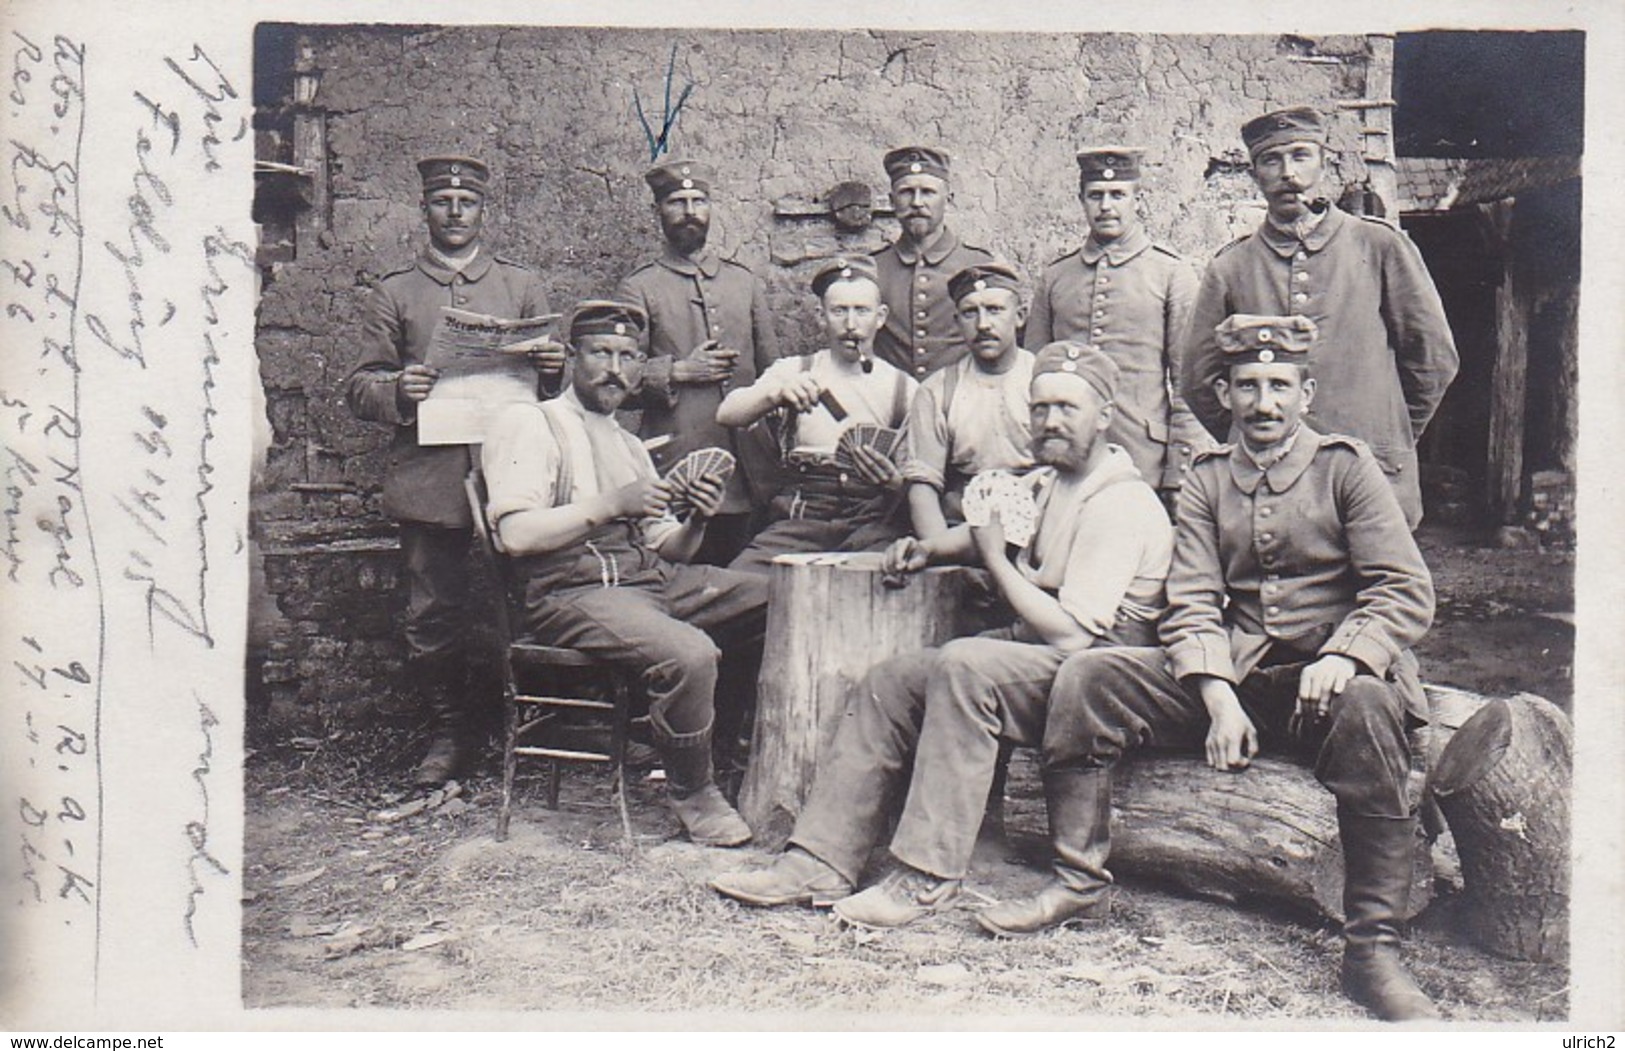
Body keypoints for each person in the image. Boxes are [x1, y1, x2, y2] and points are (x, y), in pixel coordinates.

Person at [1022, 314, 1439, 1020]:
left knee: (1368, 703)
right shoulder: (1207, 477)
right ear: (1225, 392)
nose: (1264, 403)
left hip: (1334, 686)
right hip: (1241, 677)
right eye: (1248, 386)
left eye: (1279, 385)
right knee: (1090, 676)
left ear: (1306, 392)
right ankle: (1078, 880)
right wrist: (1217, 698)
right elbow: (1187, 601)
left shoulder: (1345, 465)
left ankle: (1372, 949)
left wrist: (1342, 652)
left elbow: (1403, 588)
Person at [709, 342, 1173, 930]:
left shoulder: (1119, 501)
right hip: (1044, 650)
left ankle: (928, 876)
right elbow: (983, 530)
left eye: (1067, 409)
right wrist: (927, 548)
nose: (1050, 422)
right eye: (1040, 408)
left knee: (963, 666)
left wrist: (997, 561)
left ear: (1104, 416)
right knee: (895, 679)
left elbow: (1073, 636)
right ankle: (819, 859)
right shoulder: (1050, 481)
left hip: (1102, 674)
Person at [480, 301, 768, 847]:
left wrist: (697, 518)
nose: (616, 369)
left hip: (645, 582)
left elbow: (670, 547)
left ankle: (725, 751)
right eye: (601, 354)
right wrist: (614, 503)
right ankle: (692, 789)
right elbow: (516, 536)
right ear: (571, 358)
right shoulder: (532, 423)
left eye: (629, 356)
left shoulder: (629, 442)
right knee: (690, 653)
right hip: (572, 590)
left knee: (774, 597)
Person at [344, 154, 563, 785]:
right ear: (426, 209)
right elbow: (360, 386)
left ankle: (530, 727)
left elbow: (553, 390)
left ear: (484, 212)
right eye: (443, 202)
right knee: (432, 611)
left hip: (511, 470)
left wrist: (553, 365)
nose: (456, 213)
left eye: (467, 203)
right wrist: (398, 389)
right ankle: (448, 734)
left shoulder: (521, 285)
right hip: (430, 476)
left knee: (524, 601)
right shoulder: (396, 292)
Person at [1181, 107, 1459, 528]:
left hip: (1374, 474)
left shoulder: (1379, 246)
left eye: (1300, 156)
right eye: (1271, 161)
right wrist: (1255, 434)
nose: (1288, 172)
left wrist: (1390, 433)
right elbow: (1198, 378)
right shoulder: (1231, 267)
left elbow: (1433, 359)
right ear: (1255, 174)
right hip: (1265, 480)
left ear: (1324, 163)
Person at [615, 159, 783, 565]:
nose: (689, 211)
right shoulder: (639, 286)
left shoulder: (743, 283)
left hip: (747, 465)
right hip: (678, 458)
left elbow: (773, 370)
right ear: (658, 212)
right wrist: (676, 371)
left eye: (699, 201)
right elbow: (615, 378)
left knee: (744, 576)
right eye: (676, 202)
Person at [1027, 146, 1210, 505]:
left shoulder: (1171, 273)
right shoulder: (1056, 277)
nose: (1106, 206)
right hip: (1068, 454)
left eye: (1118, 195)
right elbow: (1033, 378)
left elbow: (1190, 384)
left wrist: (1179, 472)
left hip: (1144, 458)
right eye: (1095, 195)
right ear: (1081, 200)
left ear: (1136, 200)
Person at [719, 256, 918, 575]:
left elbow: (921, 471)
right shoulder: (795, 370)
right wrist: (776, 394)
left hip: (872, 519)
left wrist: (894, 482)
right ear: (820, 316)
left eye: (861, 311)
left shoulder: (903, 387)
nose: (851, 324)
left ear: (880, 317)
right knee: (741, 580)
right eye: (839, 311)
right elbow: (728, 413)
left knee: (884, 584)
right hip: (802, 514)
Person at [900, 262, 1036, 542]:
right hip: (964, 529)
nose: (983, 324)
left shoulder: (1045, 381)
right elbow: (923, 487)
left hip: (1039, 523)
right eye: (970, 313)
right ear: (957, 322)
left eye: (995, 310)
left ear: (1020, 316)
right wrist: (938, 551)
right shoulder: (937, 391)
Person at [870, 146, 996, 380]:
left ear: (948, 199)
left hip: (959, 402)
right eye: (906, 192)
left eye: (927, 192)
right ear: (891, 200)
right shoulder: (873, 269)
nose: (917, 202)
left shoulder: (979, 266)